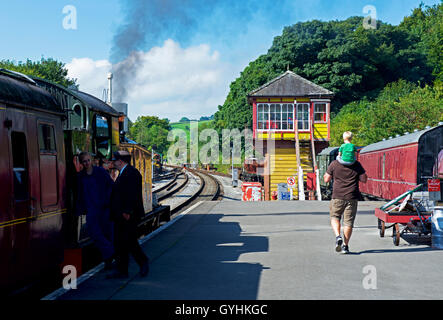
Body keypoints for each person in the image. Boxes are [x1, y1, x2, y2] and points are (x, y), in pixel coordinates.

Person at [107, 150, 150, 278]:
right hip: (121, 215)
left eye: (114, 160)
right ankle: (122, 270)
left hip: (128, 215)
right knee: (120, 243)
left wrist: (127, 211)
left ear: (120, 161)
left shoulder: (131, 173)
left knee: (130, 242)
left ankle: (143, 262)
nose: (113, 162)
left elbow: (132, 194)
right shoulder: (124, 172)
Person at [76, 152, 115, 268]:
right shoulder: (81, 176)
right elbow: (79, 194)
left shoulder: (100, 172)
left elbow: (110, 185)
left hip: (104, 208)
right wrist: (80, 209)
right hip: (91, 209)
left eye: (88, 160)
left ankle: (108, 260)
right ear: (81, 163)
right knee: (94, 234)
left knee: (106, 233)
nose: (87, 163)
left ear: (91, 160)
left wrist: (108, 201)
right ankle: (111, 251)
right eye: (84, 161)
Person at [323, 155, 367, 254]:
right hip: (352, 197)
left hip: (337, 196)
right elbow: (364, 179)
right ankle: (345, 246)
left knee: (335, 217)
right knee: (348, 223)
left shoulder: (334, 164)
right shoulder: (357, 165)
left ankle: (338, 236)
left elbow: (326, 179)